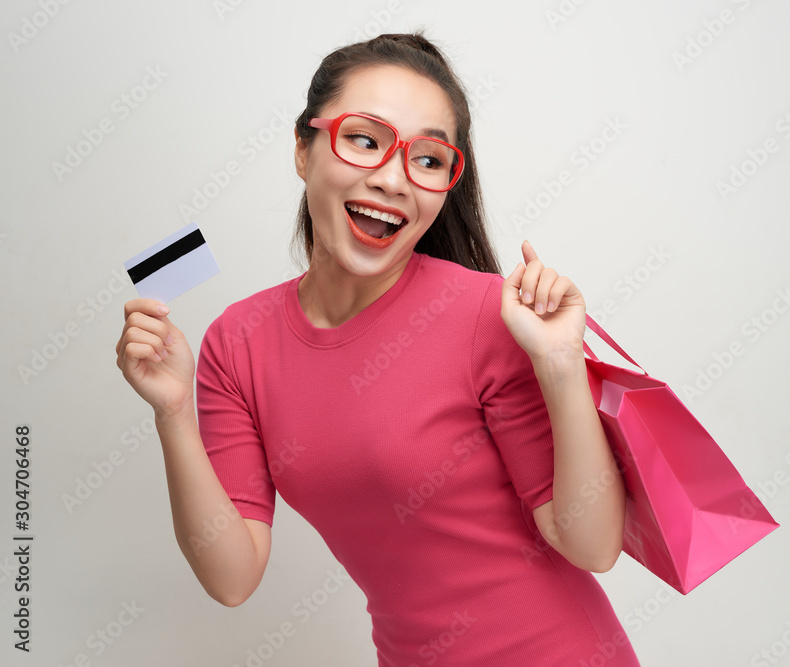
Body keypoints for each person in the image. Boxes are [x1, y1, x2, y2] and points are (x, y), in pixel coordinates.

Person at [115, 31, 641, 666]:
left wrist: (558, 364)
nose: (393, 179)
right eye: (363, 140)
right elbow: (232, 578)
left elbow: (593, 546)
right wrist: (171, 411)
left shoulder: (488, 314)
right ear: (304, 151)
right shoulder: (238, 342)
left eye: (427, 158)